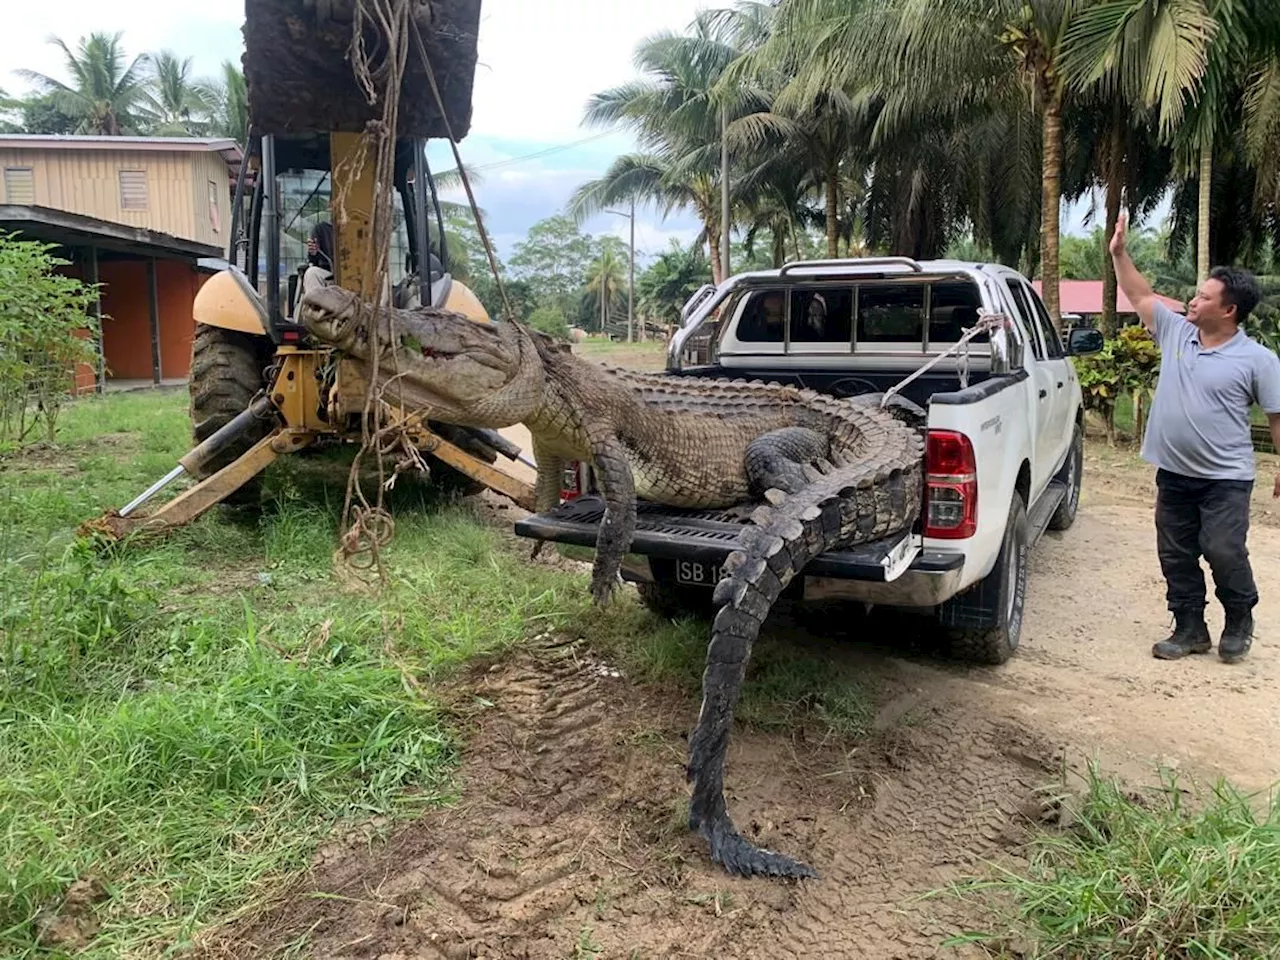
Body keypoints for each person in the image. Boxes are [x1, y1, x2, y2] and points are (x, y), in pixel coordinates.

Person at [1110, 212, 1280, 663]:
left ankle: (1239, 617)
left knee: (1222, 549)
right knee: (1176, 552)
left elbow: (1277, 417)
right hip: (1175, 473)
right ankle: (1190, 628)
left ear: (1229, 310)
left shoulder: (1258, 359)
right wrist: (1119, 253)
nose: (1192, 299)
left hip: (1227, 478)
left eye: (1203, 296)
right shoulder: (1177, 333)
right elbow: (1139, 293)